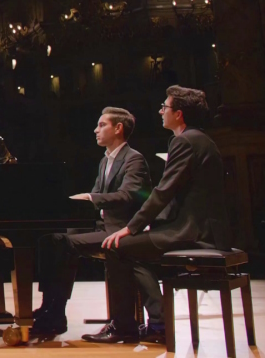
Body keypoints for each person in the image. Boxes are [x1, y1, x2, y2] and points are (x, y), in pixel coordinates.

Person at [84, 85, 231, 344]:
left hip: (194, 231)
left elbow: (162, 192)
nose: (161, 111)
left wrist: (131, 227)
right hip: (199, 226)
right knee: (130, 250)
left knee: (117, 246)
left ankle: (124, 326)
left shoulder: (184, 141)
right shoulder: (199, 138)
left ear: (180, 114)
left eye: (165, 107)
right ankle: (158, 322)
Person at [31, 107, 152, 336]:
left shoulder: (134, 159)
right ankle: (51, 307)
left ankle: (56, 312)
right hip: (103, 226)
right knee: (50, 239)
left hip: (121, 230)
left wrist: (90, 197)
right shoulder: (105, 161)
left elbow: (128, 195)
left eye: (102, 125)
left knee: (62, 243)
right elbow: (95, 200)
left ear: (118, 128)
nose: (95, 130)